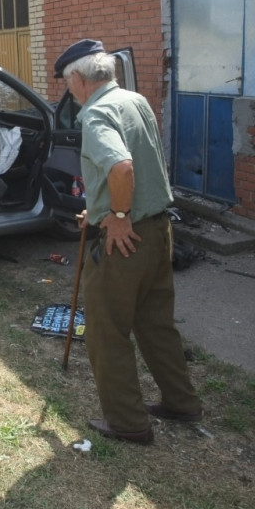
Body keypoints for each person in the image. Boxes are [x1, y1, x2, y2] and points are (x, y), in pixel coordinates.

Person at [54, 39, 202, 445]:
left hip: (127, 241)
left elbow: (121, 167)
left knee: (106, 330)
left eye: (68, 85)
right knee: (156, 325)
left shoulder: (96, 113)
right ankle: (182, 402)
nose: (70, 93)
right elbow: (132, 167)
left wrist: (115, 218)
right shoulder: (134, 100)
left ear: (80, 80)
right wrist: (101, 209)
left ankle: (127, 422)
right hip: (157, 231)